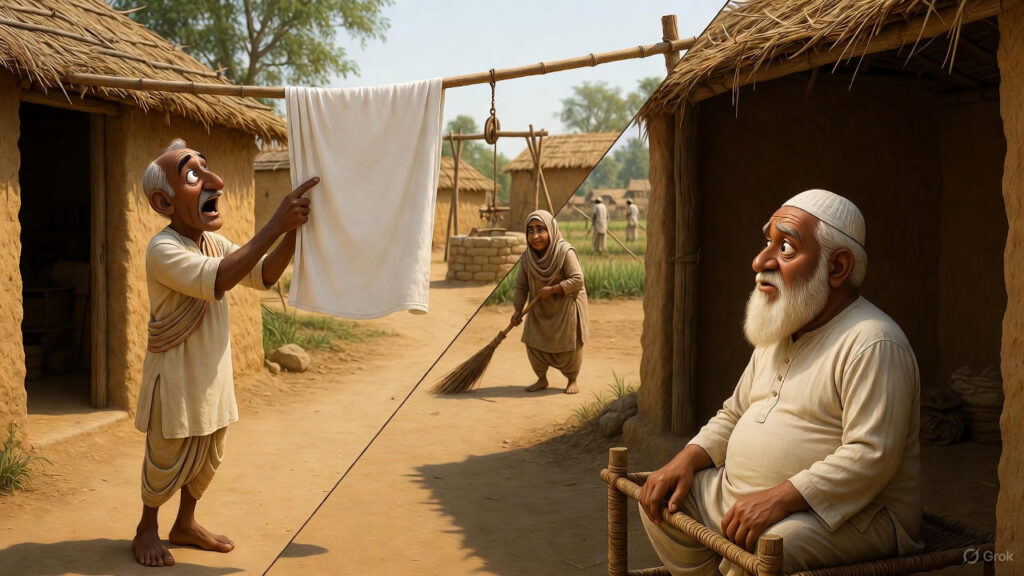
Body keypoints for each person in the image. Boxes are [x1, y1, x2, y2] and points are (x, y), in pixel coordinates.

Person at [638, 190, 922, 576]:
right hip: (743, 499)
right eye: (766, 242)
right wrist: (687, 457)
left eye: (785, 247)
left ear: (837, 267)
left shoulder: (873, 341)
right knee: (658, 498)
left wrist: (780, 499)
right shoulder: (781, 328)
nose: (760, 261)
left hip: (856, 514)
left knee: (770, 548)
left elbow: (871, 455)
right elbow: (734, 412)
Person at [132, 139, 319, 567]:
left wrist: (292, 233)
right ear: (164, 201)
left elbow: (263, 272)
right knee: (165, 455)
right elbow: (221, 279)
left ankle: (186, 522)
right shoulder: (163, 250)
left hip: (211, 374)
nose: (214, 183)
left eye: (207, 170)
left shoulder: (215, 244)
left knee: (209, 453)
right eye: (193, 177)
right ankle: (147, 527)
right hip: (176, 377)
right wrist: (274, 224)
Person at [511, 210, 589, 395]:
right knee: (533, 342)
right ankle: (541, 378)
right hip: (540, 308)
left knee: (569, 346)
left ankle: (572, 379)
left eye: (541, 230)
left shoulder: (564, 251)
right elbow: (521, 286)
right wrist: (517, 310)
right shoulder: (528, 257)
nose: (535, 236)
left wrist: (553, 289)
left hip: (565, 307)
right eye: (530, 231)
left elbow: (578, 279)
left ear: (551, 230)